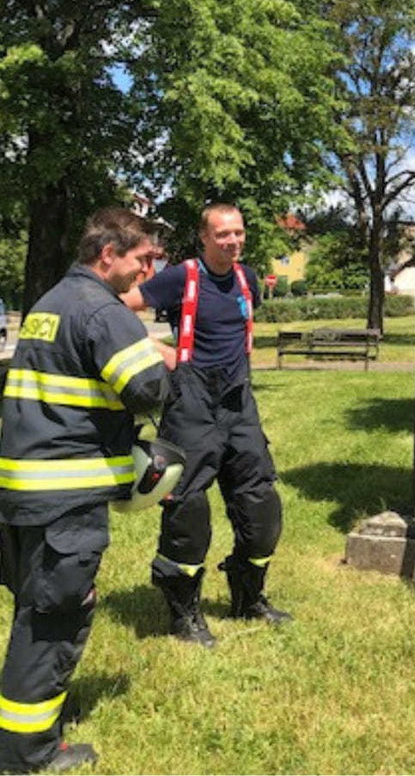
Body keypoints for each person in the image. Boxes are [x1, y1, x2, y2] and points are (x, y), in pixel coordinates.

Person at [0, 208, 173, 774]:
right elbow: (147, 389)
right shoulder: (102, 309)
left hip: (20, 493)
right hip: (65, 502)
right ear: (109, 255)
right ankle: (29, 754)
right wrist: (163, 359)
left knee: (34, 612)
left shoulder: (49, 304)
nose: (147, 271)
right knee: (52, 623)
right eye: (142, 258)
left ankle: (30, 727)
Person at [123, 203, 288, 649]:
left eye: (238, 232)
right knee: (188, 508)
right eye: (222, 234)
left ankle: (248, 598)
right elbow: (116, 308)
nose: (231, 241)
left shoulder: (246, 278)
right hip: (191, 403)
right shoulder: (182, 277)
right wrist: (163, 351)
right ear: (204, 237)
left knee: (261, 503)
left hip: (238, 402)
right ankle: (183, 614)